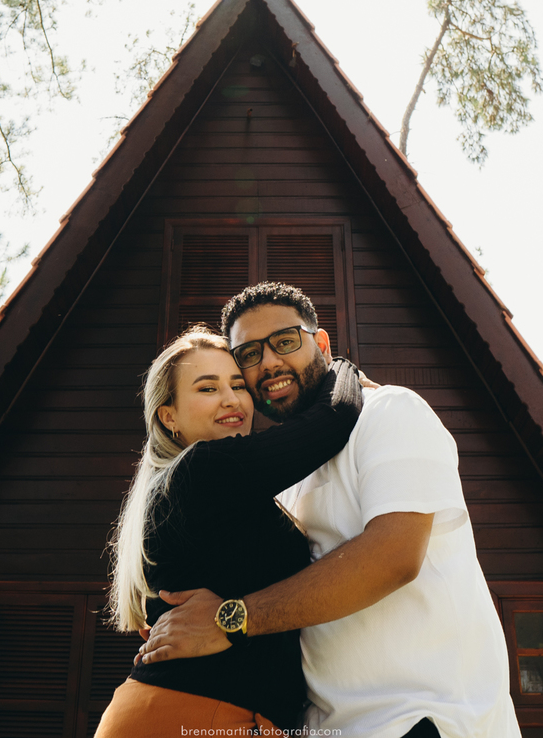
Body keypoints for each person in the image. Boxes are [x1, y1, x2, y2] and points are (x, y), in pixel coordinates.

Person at [137, 283, 521, 738]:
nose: (269, 363)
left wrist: (235, 618)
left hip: (420, 717)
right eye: (248, 356)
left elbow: (394, 556)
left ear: (321, 343)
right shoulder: (270, 475)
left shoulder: (389, 412)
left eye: (285, 342)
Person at [97, 325, 365, 736]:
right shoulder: (203, 469)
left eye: (238, 385)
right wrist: (338, 365)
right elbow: (335, 416)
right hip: (195, 715)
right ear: (168, 416)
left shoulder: (188, 485)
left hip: (194, 713)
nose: (232, 399)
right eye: (207, 389)